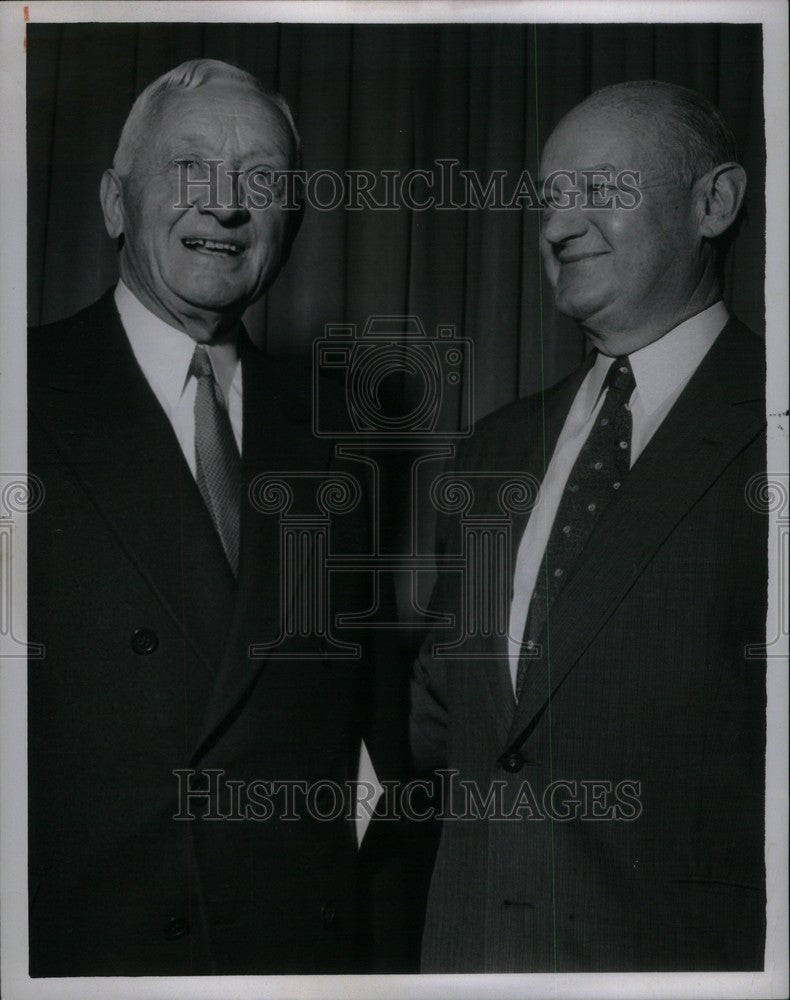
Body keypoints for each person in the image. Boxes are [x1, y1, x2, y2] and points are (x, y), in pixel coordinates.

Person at [27, 58, 409, 976]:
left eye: (262, 181)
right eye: (191, 169)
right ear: (117, 203)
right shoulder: (17, 394)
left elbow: (363, 723)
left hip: (288, 957)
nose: (226, 205)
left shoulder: (341, 432)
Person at [410, 80, 767, 972]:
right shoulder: (493, 449)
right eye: (549, 199)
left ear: (714, 203)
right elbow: (445, 714)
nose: (558, 227)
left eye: (599, 189)